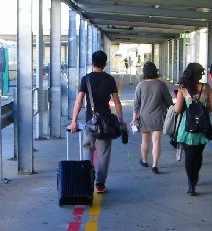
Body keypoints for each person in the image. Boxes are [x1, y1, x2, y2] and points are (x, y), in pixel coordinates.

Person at [70, 50, 125, 194]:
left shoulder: (86, 79)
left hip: (90, 121)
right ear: (105, 64)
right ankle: (100, 183)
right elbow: (117, 102)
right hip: (106, 121)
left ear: (92, 63)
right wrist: (121, 120)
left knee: (88, 149)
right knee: (104, 153)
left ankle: (88, 178)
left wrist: (74, 121)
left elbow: (79, 101)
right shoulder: (109, 79)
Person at [174, 62, 212, 196]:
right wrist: (201, 108)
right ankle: (195, 176)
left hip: (187, 128)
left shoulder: (183, 89)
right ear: (199, 74)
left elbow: (178, 109)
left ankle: (191, 184)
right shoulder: (206, 88)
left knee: (189, 156)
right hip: (202, 127)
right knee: (198, 155)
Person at [131, 61, 173, 174]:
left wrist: (134, 118)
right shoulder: (161, 85)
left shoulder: (140, 85)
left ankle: (144, 161)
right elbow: (169, 102)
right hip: (158, 117)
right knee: (156, 141)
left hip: (144, 118)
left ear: (144, 73)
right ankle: (155, 165)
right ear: (155, 71)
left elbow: (136, 104)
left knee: (145, 140)